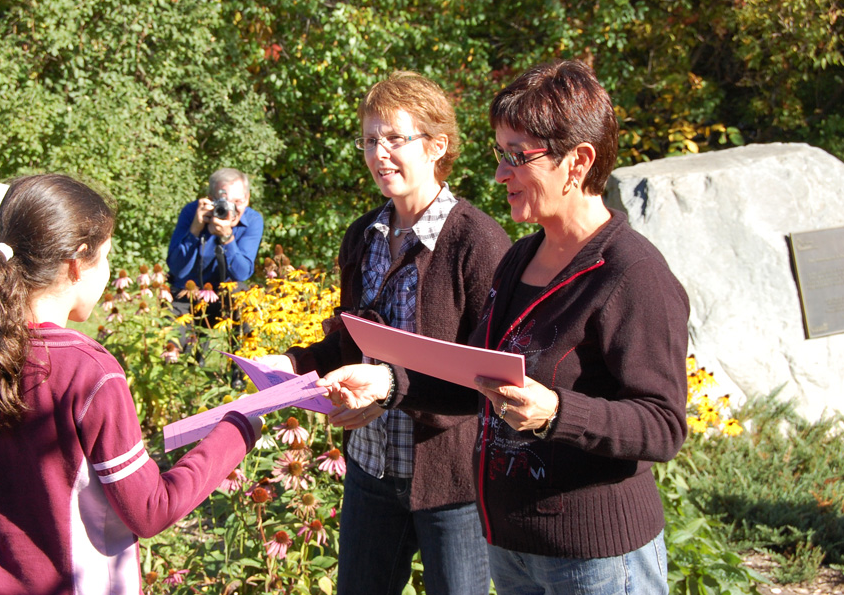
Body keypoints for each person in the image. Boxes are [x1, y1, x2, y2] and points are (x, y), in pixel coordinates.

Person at [317, 59, 690, 595]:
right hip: (514, 550)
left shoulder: (633, 273)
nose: (499, 174)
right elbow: (475, 377)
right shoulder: (519, 261)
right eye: (500, 154)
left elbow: (662, 426)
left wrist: (558, 412)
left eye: (518, 157)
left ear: (578, 162)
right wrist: (389, 384)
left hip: (595, 557)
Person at [0, 174, 261, 595]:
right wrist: (239, 428)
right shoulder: (90, 372)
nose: (108, 271)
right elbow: (150, 510)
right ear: (77, 263)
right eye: (105, 257)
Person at [262, 71, 512, 595]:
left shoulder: (479, 241)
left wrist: (392, 388)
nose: (380, 154)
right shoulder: (363, 235)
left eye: (395, 138)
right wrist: (293, 365)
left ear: (437, 145)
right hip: (370, 469)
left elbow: (490, 374)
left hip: (452, 483)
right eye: (371, 140)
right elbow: (347, 342)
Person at [167, 167, 263, 299]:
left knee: (244, 307)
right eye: (224, 203)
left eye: (238, 202)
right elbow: (177, 269)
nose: (231, 209)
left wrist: (227, 238)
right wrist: (194, 231)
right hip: (188, 292)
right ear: (211, 199)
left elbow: (242, 273)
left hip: (227, 292)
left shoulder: (253, 220)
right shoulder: (192, 212)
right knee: (171, 318)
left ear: (247, 199)